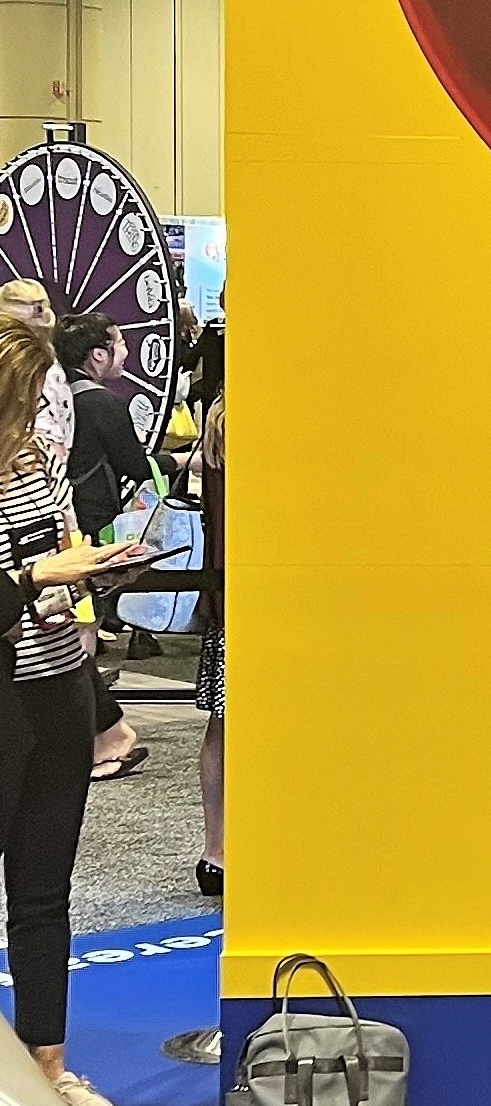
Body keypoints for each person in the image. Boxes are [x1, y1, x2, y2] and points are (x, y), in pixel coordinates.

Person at [0, 320, 149, 1106]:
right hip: (2, 700)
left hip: (57, 685)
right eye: (39, 400)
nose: (55, 415)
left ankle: (48, 1072)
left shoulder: (39, 472)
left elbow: (52, 569)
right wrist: (32, 575)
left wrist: (74, 579)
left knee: (45, 889)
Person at [55, 313, 155, 761]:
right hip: (88, 527)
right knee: (84, 623)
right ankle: (91, 737)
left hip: (52, 526)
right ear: (99, 354)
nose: (127, 353)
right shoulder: (103, 403)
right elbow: (135, 464)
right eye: (119, 344)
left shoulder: (55, 399)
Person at [193, 381, 223, 901]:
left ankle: (214, 851)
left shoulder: (219, 418)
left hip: (226, 597)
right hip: (262, 597)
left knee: (224, 727)